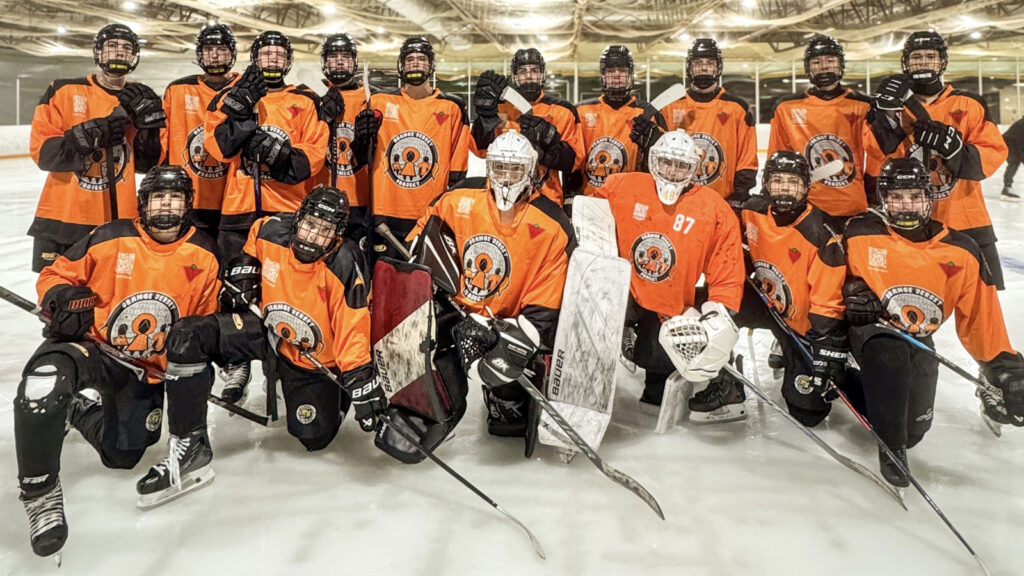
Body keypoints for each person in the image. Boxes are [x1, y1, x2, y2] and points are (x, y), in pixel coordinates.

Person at [14, 166, 220, 558]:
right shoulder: (111, 236)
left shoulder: (205, 255)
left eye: (175, 199)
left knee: (122, 455)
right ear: (143, 203)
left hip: (143, 371)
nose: (167, 206)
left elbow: (202, 326)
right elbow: (56, 274)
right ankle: (40, 494)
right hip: (92, 348)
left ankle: (77, 409)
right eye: (158, 197)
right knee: (40, 386)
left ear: (187, 205)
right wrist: (60, 299)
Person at [374, 131, 575, 462]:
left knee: (508, 420)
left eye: (515, 169)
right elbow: (423, 238)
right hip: (456, 309)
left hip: (507, 324)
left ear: (531, 170)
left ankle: (505, 398)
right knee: (422, 344)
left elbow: (546, 306)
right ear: (489, 167)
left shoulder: (553, 224)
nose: (506, 177)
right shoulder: (460, 197)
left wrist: (503, 332)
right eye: (499, 168)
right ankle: (423, 402)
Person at [842, 157, 1024, 486]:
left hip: (917, 337)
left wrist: (1001, 364)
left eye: (914, 196)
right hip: (870, 332)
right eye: (896, 198)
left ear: (929, 197)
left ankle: (863, 397)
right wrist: (849, 291)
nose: (905, 206)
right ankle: (891, 447)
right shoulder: (859, 233)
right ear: (883, 200)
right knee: (890, 364)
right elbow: (826, 278)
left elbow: (981, 316)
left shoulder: (962, 250)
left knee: (913, 429)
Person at [161, 185, 380, 456]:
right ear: (298, 218)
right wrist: (246, 268)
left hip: (311, 355)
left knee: (314, 439)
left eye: (325, 231)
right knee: (189, 335)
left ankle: (331, 395)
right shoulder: (272, 230)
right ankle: (189, 446)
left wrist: (358, 377)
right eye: (310, 225)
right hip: (266, 330)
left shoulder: (345, 263)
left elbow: (353, 329)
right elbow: (253, 239)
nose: (313, 237)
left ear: (337, 236)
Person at [592, 130, 744, 420]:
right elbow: (590, 217)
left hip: (669, 309)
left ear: (694, 170)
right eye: (667, 163)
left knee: (655, 399)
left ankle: (720, 373)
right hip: (624, 294)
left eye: (682, 166)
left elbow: (726, 269)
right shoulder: (622, 186)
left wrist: (717, 319)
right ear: (653, 162)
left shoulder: (714, 209)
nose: (673, 172)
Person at [868, 30, 1009, 289]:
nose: (923, 62)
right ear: (905, 63)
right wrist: (884, 117)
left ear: (942, 62)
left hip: (966, 222)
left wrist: (956, 149)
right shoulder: (896, 107)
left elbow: (993, 154)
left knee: (981, 309)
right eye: (916, 57)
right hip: (907, 222)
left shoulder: (970, 103)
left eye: (930, 56)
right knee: (912, 303)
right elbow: (877, 158)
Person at [28, 23, 164, 272]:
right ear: (98, 52)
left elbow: (147, 164)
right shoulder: (62, 90)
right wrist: (90, 134)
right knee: (58, 300)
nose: (119, 53)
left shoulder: (141, 97)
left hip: (118, 219)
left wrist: (148, 131)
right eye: (112, 46)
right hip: (63, 218)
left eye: (126, 48)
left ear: (134, 56)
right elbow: (44, 154)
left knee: (113, 299)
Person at [739, 151, 859, 426]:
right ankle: (722, 381)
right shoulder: (750, 210)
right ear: (766, 184)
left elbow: (827, 300)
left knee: (809, 412)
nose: (784, 188)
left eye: (792, 182)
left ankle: (795, 351)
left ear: (806, 187)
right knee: (709, 309)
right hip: (764, 302)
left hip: (802, 326)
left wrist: (826, 349)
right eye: (777, 180)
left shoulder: (822, 232)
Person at [205, 30, 328, 261]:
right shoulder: (229, 95)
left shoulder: (307, 100)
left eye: (280, 54)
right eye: (266, 53)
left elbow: (312, 159)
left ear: (288, 61)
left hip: (287, 209)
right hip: (239, 210)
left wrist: (275, 153)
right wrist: (240, 122)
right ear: (255, 58)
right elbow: (218, 149)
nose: (273, 59)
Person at [351, 36, 470, 259]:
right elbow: (360, 157)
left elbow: (458, 172)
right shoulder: (379, 102)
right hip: (384, 213)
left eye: (421, 59)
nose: (415, 63)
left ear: (431, 65)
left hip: (429, 214)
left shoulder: (452, 107)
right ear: (401, 65)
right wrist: (360, 139)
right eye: (410, 59)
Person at [768, 34, 875, 222]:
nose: (824, 66)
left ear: (841, 64)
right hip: (804, 206)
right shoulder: (786, 107)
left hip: (851, 206)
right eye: (816, 61)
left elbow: (878, 154)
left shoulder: (864, 106)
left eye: (830, 60)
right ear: (808, 67)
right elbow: (777, 157)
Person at [470, 47, 584, 207]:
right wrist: (485, 116)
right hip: (501, 198)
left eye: (534, 70)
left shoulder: (563, 110)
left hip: (547, 200)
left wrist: (549, 143)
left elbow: (574, 162)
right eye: (522, 71)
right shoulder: (500, 108)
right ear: (515, 76)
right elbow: (480, 151)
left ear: (542, 74)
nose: (529, 75)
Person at [658, 38, 757, 212]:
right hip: (678, 199)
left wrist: (739, 195)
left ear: (718, 67)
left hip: (722, 202)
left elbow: (747, 159)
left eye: (710, 63)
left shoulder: (737, 107)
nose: (704, 68)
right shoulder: (670, 105)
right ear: (689, 67)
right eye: (698, 63)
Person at [161, 23, 240, 238]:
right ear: (200, 54)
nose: (215, 56)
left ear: (232, 54)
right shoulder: (177, 90)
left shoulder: (244, 89)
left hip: (234, 200)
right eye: (208, 50)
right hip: (189, 199)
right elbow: (161, 145)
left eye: (221, 50)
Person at [569, 45, 665, 199]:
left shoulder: (647, 113)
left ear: (630, 75)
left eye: (622, 71)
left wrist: (654, 143)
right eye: (610, 71)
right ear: (603, 75)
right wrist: (570, 195)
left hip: (631, 197)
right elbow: (573, 159)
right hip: (591, 199)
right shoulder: (582, 110)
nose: (616, 75)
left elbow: (661, 162)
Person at [310, 33, 376, 246]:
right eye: (333, 56)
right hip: (320, 196)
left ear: (354, 61)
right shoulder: (311, 96)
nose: (339, 60)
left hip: (359, 200)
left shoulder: (370, 98)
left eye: (345, 56)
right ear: (324, 61)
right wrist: (323, 118)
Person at [1000, 116, 1024, 201]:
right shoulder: (1022, 124)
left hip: (1012, 143)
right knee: (1014, 163)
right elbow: (1020, 143)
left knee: (1014, 163)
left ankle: (1007, 187)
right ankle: (1007, 188)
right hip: (1010, 144)